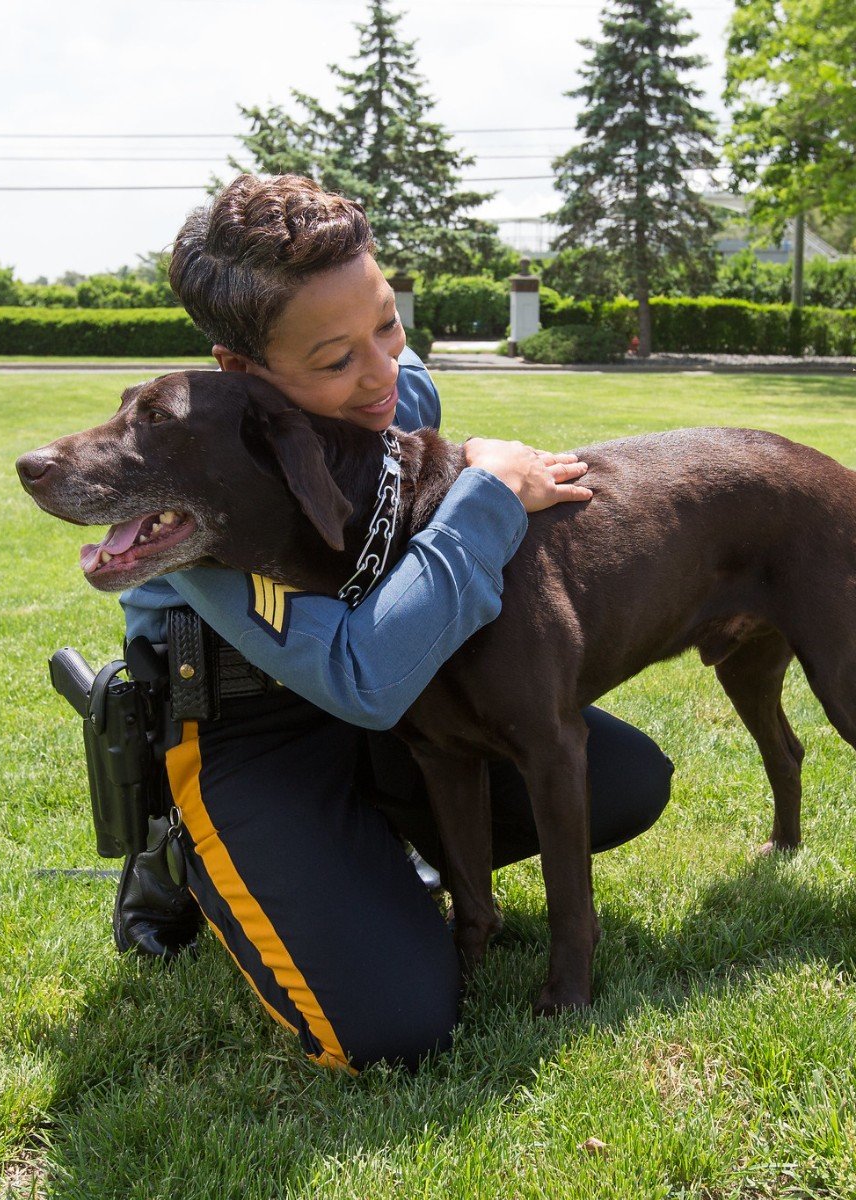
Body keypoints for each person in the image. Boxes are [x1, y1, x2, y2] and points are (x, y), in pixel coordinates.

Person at [117, 173, 673, 1071]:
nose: (380, 377)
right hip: (257, 724)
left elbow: (397, 607)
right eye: (335, 362)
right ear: (243, 372)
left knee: (622, 782)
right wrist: (487, 497)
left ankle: (367, 859)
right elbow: (357, 679)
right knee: (389, 1029)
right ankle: (181, 852)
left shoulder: (395, 390)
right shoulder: (206, 492)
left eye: (386, 324)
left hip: (401, 698)